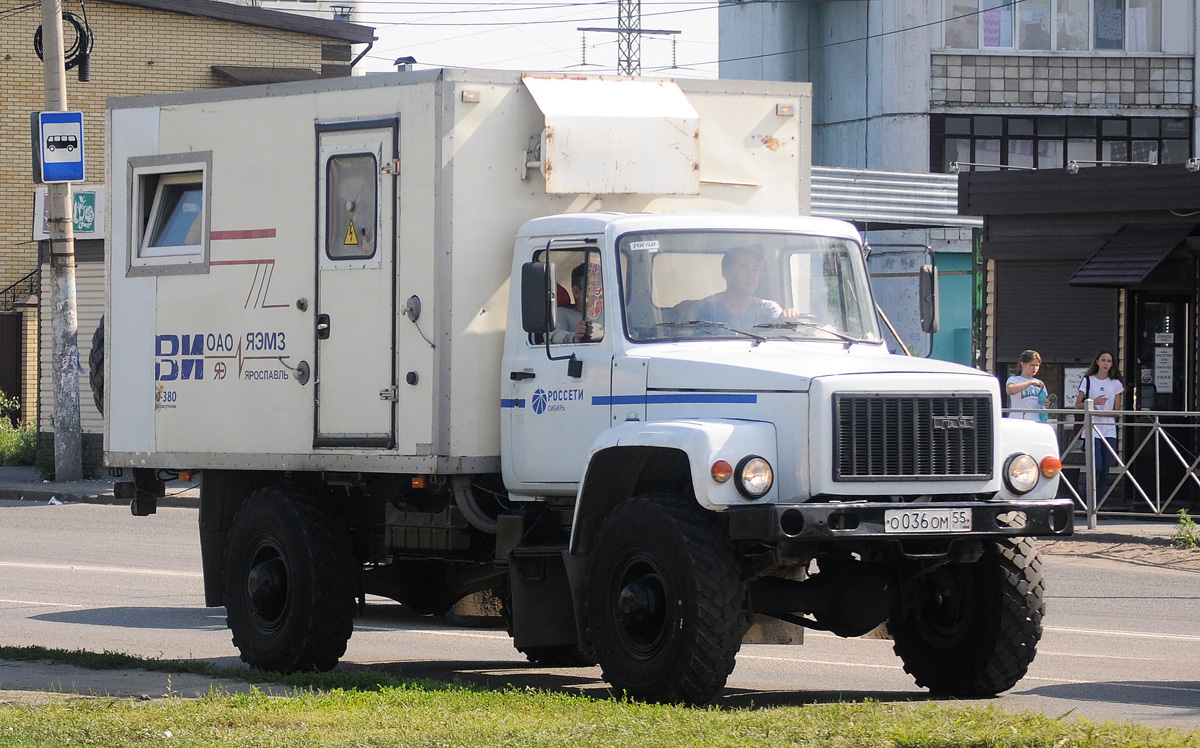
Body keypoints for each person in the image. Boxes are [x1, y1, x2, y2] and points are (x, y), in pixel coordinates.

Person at [693, 247, 787, 329]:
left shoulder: (768, 309)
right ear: (726, 273)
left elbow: (781, 336)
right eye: (744, 269)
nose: (752, 276)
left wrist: (788, 318)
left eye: (755, 269)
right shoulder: (709, 308)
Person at [1074, 350, 1124, 501]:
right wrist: (1093, 403)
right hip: (1092, 428)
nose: (1106, 364)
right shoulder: (1088, 380)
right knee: (1097, 465)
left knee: (1106, 469)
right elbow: (1077, 405)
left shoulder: (1115, 383)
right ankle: (1086, 498)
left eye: (1109, 361)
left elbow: (1116, 411)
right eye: (1103, 360)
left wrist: (1101, 413)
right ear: (1097, 361)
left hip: (1108, 428)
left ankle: (1099, 502)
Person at [550, 263, 592, 343]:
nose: (601, 295)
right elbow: (553, 335)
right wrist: (574, 337)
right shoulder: (561, 314)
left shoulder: (613, 315)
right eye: (594, 291)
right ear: (576, 292)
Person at [1005, 350, 1047, 421]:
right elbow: (1010, 390)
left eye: (1037, 365)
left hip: (1036, 421)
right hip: (1018, 420)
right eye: (1032, 365)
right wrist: (1030, 382)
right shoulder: (1014, 379)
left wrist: (1045, 403)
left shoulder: (1040, 383)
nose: (1035, 368)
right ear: (1023, 364)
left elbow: (1042, 401)